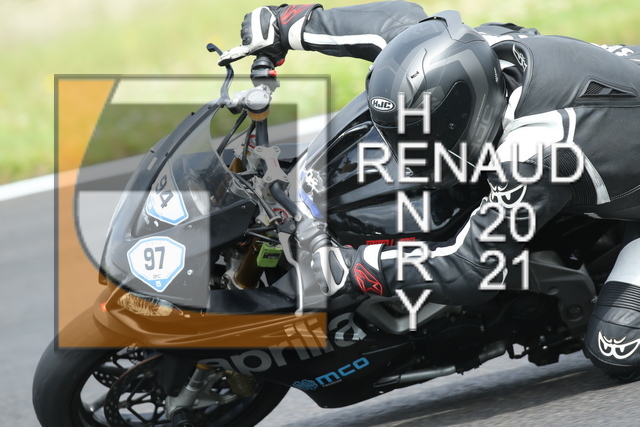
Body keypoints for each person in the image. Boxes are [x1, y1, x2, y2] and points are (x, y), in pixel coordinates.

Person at [219, 2, 640, 380]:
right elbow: (397, 25)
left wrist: (359, 266)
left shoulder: (534, 155)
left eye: (422, 139)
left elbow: (471, 268)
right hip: (614, 104)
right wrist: (288, 23)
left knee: (614, 348)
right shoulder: (469, 51)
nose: (405, 156)